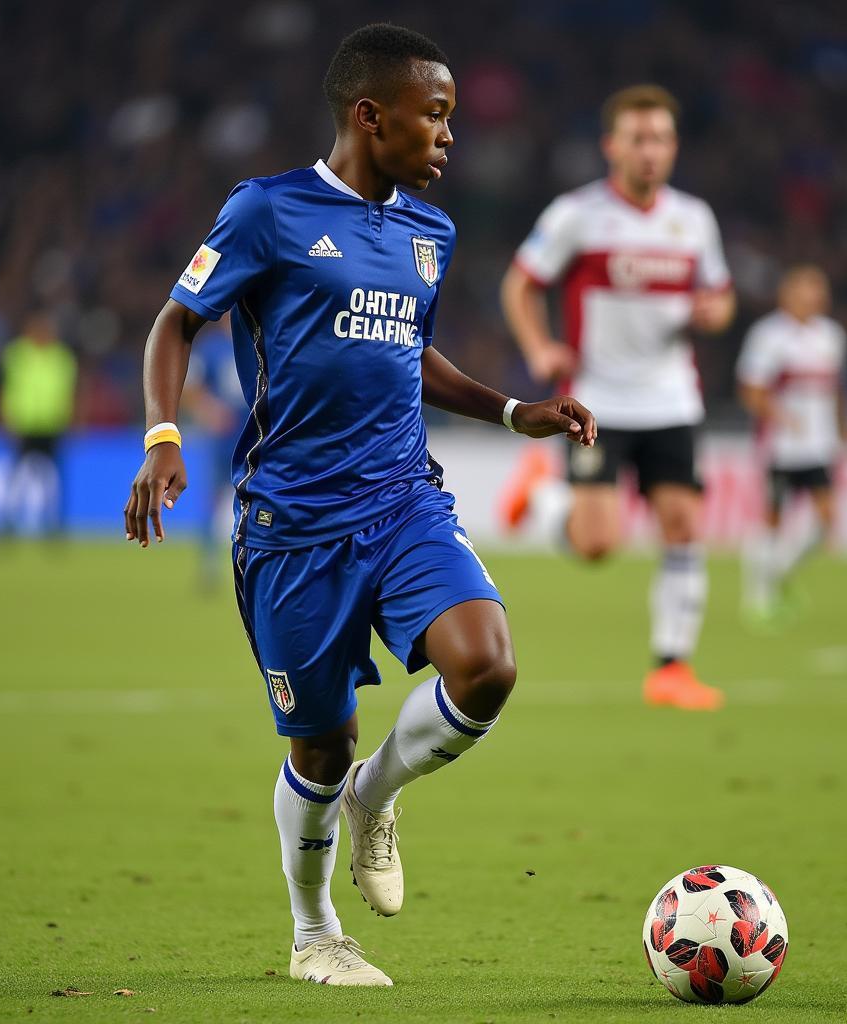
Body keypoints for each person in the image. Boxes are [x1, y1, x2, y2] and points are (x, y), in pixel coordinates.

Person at [123, 24, 595, 988]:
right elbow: (178, 319)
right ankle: (313, 932)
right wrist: (162, 436)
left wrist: (510, 410)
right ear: (368, 116)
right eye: (436, 115)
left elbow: (406, 354)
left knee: (487, 665)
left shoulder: (432, 232)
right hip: (293, 522)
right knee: (320, 745)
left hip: (403, 498)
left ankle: (380, 797)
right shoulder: (268, 211)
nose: (449, 137)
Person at [499, 84, 734, 712]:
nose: (650, 151)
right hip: (598, 399)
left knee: (683, 525)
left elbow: (721, 295)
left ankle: (672, 668)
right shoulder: (578, 214)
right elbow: (520, 285)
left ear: (673, 147)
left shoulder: (694, 220)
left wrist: (714, 313)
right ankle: (542, 497)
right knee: (597, 544)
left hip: (671, 398)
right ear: (612, 146)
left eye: (660, 138)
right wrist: (540, 347)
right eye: (637, 138)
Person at [736, 265, 847, 621]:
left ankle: (777, 574)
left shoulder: (831, 335)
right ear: (788, 294)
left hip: (820, 444)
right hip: (781, 445)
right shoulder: (768, 335)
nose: (815, 297)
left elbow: (836, 390)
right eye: (807, 290)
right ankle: (757, 596)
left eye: (819, 290)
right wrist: (780, 415)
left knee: (826, 519)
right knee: (773, 517)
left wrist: (843, 430)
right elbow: (750, 391)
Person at [0, 310, 77, 537]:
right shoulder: (15, 354)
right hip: (23, 424)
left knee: (53, 479)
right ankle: (8, 522)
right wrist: (2, 420)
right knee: (18, 477)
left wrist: (71, 419)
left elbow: (71, 391)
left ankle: (53, 525)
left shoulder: (61, 357)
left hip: (52, 425)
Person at [180, 310, 246, 587]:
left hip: (255, 435)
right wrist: (210, 411)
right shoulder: (211, 348)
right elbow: (189, 388)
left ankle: (253, 560)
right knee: (214, 497)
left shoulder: (259, 340)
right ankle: (209, 563)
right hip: (223, 439)